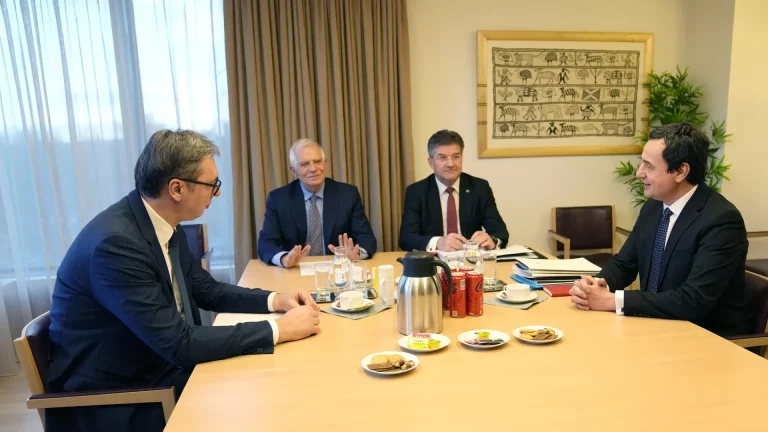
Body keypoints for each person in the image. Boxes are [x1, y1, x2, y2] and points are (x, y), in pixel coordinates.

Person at [46, 130, 321, 432]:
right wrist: (279, 329)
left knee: (275, 384)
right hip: (120, 398)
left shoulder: (160, 223)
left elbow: (206, 290)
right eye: (212, 185)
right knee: (261, 406)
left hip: (157, 366)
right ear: (177, 189)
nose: (217, 194)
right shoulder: (116, 245)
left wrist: (276, 300)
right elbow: (179, 343)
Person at [569, 122, 748, 336]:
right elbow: (624, 264)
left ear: (681, 171)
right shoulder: (654, 207)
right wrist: (596, 286)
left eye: (649, 166)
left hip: (705, 338)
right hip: (656, 327)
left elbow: (693, 300)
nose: (639, 173)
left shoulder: (721, 220)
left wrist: (612, 300)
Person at [257, 138, 377, 268]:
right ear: (294, 171)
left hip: (337, 269)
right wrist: (284, 259)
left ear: (325, 163)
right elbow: (266, 243)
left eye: (317, 161)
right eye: (304, 164)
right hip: (296, 269)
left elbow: (366, 238)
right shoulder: (279, 199)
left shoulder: (348, 195)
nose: (313, 169)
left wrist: (356, 254)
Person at [399, 129, 509, 252]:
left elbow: (500, 232)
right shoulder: (416, 192)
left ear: (461, 158)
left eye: (455, 157)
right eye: (442, 157)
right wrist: (438, 242)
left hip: (470, 259)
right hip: (434, 260)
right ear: (431, 162)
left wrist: (492, 240)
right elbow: (406, 239)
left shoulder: (479, 187)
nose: (450, 164)